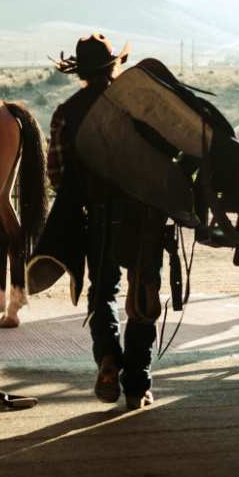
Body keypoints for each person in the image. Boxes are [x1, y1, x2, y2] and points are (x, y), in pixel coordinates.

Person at [46, 34, 173, 410]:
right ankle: (137, 385)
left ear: (80, 72)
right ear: (113, 66)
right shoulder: (137, 107)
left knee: (102, 292)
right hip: (143, 215)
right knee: (142, 295)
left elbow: (57, 174)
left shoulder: (66, 112)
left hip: (98, 215)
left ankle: (107, 359)